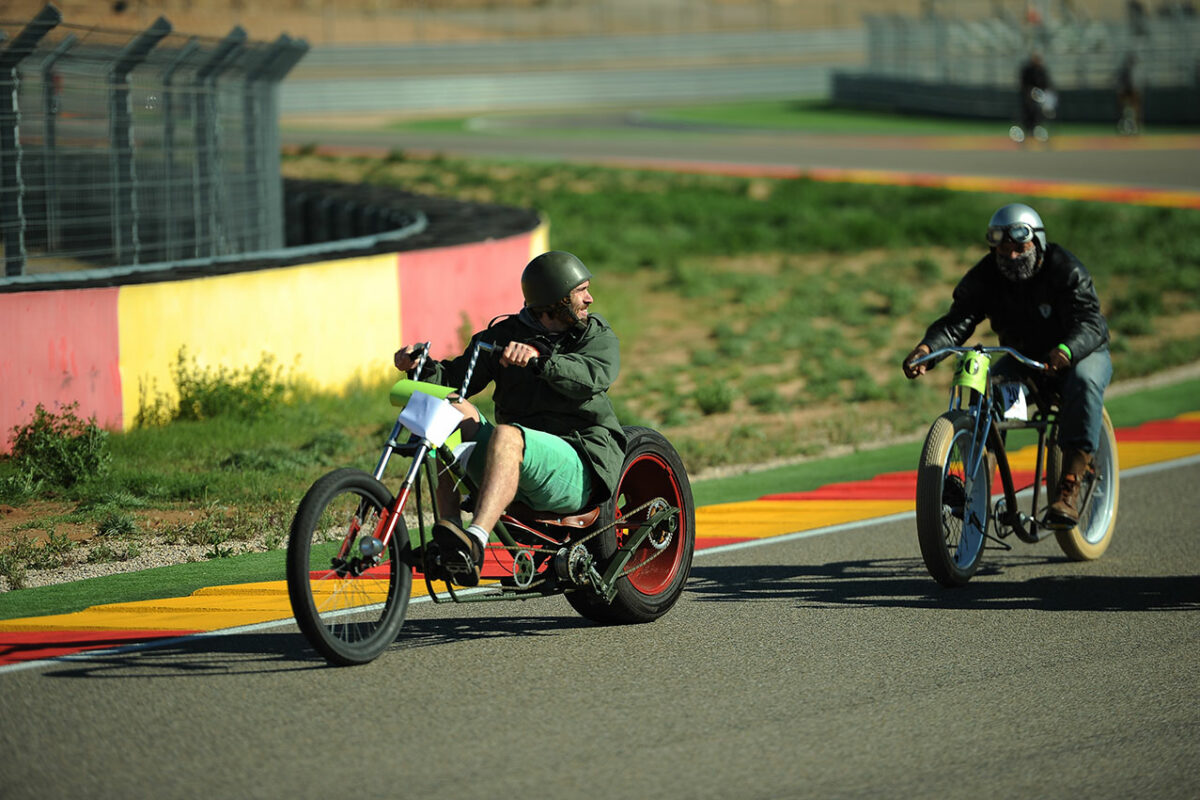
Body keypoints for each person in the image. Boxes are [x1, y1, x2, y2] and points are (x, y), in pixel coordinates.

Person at [392, 250, 625, 586]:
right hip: (515, 460)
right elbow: (455, 379)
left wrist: (540, 360)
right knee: (446, 412)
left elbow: (591, 377)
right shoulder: (504, 335)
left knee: (507, 434)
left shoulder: (594, 335)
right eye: (581, 291)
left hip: (580, 460)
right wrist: (420, 367)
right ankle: (453, 539)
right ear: (557, 300)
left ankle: (476, 540)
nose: (590, 298)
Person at [901, 203, 1112, 528]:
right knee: (987, 395)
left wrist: (1067, 349)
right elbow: (958, 321)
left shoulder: (1065, 269)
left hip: (1080, 355)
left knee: (1084, 383)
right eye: (1002, 249)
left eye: (1019, 248)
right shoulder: (987, 275)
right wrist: (928, 348)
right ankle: (975, 481)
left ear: (1037, 243)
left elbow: (1091, 323)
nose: (1011, 257)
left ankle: (1069, 485)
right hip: (1024, 362)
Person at [1017, 52, 1054, 143]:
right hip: (1028, 96)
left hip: (1041, 96)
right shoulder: (1028, 70)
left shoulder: (1041, 70)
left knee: (1041, 115)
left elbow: (1046, 84)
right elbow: (1024, 84)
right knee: (1028, 114)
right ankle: (1027, 132)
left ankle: (1039, 132)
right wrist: (1029, 93)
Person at [1115, 53, 1143, 135]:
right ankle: (1129, 127)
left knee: (1127, 111)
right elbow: (1127, 83)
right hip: (1127, 92)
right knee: (1129, 111)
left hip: (1126, 92)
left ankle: (1127, 127)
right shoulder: (1127, 70)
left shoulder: (1126, 69)